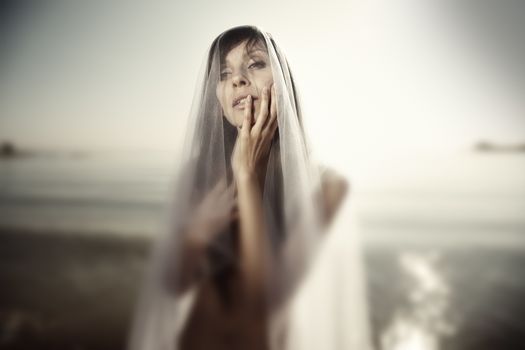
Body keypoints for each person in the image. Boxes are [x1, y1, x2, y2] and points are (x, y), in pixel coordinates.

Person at [128, 25, 369, 350]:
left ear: (284, 83)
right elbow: (174, 284)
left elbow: (264, 301)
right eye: (224, 73)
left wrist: (246, 173)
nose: (237, 79)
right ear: (217, 98)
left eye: (255, 64)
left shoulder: (327, 187)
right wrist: (196, 235)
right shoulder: (200, 172)